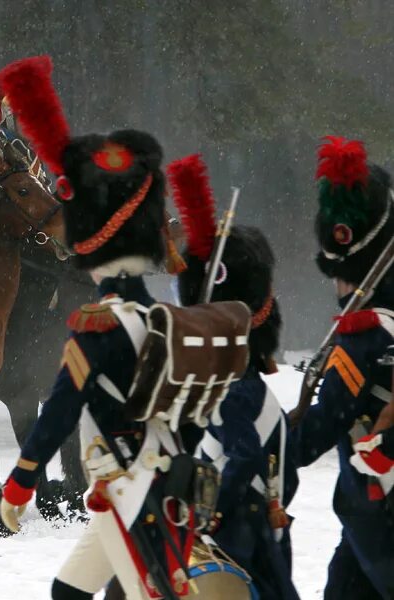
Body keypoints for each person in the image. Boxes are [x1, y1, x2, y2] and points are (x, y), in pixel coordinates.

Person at [0, 56, 195, 600]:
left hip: (126, 489)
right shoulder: (159, 316)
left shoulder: (101, 326)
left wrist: (21, 482)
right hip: (146, 481)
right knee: (71, 592)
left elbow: (61, 410)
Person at [168, 154, 300, 599]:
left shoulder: (233, 386)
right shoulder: (234, 379)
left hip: (242, 519)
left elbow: (242, 455)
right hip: (252, 514)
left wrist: (216, 512)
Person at [289, 135, 394, 599]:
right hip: (365, 527)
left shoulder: (362, 338)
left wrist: (261, 442)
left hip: (379, 519)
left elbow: (317, 433)